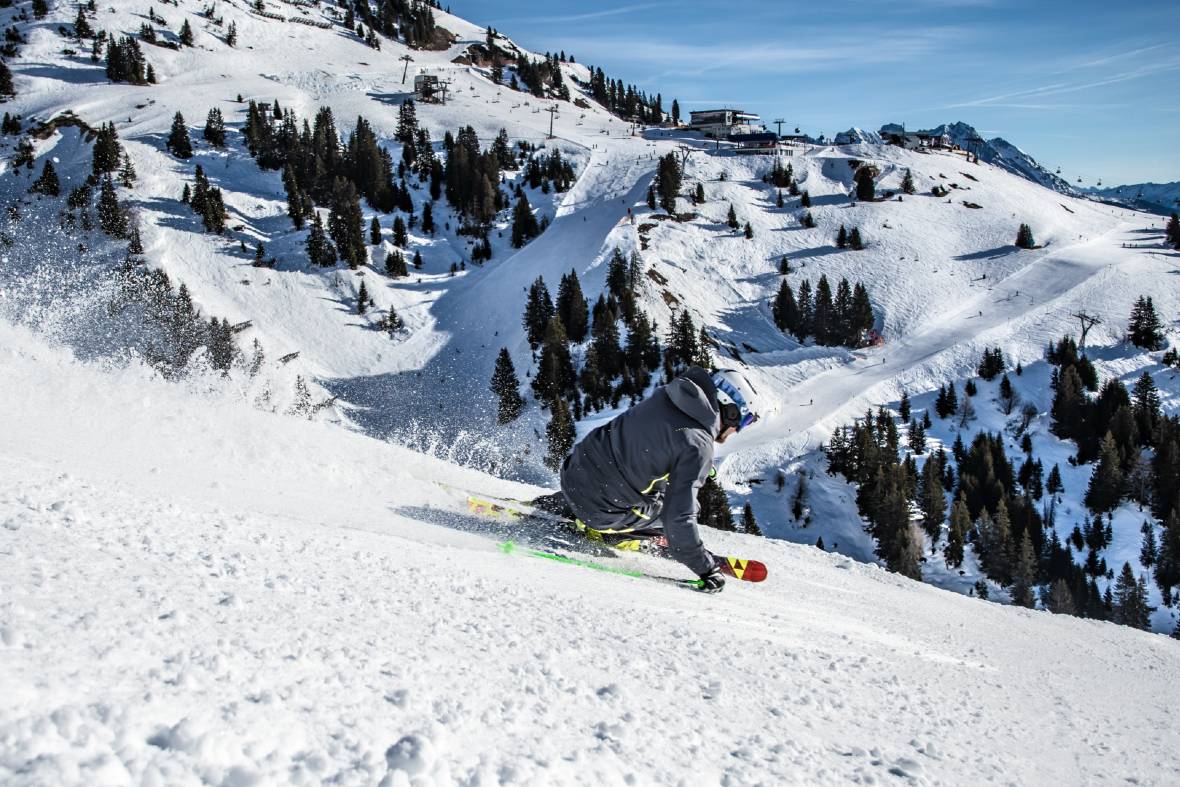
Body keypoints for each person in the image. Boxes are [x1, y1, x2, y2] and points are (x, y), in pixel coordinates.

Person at [532, 367, 762, 593]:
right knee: (688, 508)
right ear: (730, 411)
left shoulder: (666, 396)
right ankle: (610, 534)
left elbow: (641, 450)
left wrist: (684, 466)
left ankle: (569, 505)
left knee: (629, 478)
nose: (737, 430)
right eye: (742, 422)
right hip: (597, 511)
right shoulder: (699, 445)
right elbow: (678, 518)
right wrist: (706, 569)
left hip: (573, 473)